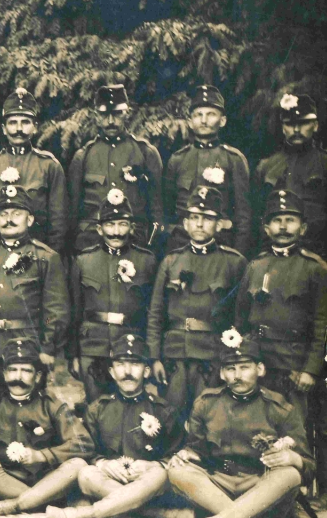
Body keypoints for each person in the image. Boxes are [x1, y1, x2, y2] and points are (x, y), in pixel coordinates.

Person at [168, 334, 311, 518]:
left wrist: (292, 457)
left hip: (259, 484)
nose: (237, 375)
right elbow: (197, 449)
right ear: (222, 373)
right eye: (230, 369)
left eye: (244, 367)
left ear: (260, 369)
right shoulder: (206, 403)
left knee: (290, 473)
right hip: (219, 484)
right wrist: (187, 454)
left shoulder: (279, 408)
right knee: (176, 470)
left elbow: (309, 467)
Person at [235, 189, 327, 496]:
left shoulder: (314, 268)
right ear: (266, 227)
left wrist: (312, 369)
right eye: (277, 220)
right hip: (261, 361)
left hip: (294, 364)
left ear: (302, 227)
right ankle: (259, 486)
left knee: (295, 430)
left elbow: (322, 324)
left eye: (290, 220)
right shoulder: (255, 266)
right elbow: (241, 318)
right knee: (259, 424)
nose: (283, 227)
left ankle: (299, 492)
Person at [0, 337, 92, 517]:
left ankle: (10, 506)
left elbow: (84, 443)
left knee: (78, 465)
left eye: (26, 371)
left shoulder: (50, 404)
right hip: (5, 478)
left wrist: (42, 455)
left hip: (46, 478)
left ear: (37, 376)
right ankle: (49, 501)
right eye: (12, 370)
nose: (17, 377)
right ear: (4, 374)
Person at [46, 334, 184, 518]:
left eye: (134, 365)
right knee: (86, 474)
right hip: (110, 479)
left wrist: (153, 465)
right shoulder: (98, 408)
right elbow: (87, 451)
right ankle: (152, 512)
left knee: (160, 475)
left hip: (146, 480)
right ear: (112, 372)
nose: (127, 372)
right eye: (120, 365)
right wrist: (103, 464)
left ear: (146, 372)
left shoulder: (163, 410)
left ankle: (83, 513)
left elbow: (176, 452)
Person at [147, 186, 248, 421]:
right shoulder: (171, 261)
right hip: (174, 356)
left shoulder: (234, 263)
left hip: (211, 356)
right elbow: (155, 313)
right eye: (194, 218)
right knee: (170, 417)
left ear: (220, 224)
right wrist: (154, 357)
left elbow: (240, 317)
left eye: (208, 218)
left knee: (207, 416)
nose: (200, 224)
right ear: (185, 223)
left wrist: (230, 360)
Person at [0, 191, 69, 403]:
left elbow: (55, 310)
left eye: (16, 213)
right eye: (3, 214)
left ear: (30, 219)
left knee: (28, 407)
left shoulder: (45, 258)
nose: (9, 219)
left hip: (28, 345)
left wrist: (47, 347)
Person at [67, 188, 158, 402]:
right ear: (99, 229)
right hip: (93, 346)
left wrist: (151, 353)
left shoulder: (147, 261)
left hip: (130, 345)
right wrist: (73, 354)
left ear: (132, 227)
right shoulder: (84, 261)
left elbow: (154, 311)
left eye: (122, 224)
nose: (116, 232)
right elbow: (74, 310)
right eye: (110, 224)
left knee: (130, 403)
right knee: (95, 407)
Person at [0, 86, 67, 255]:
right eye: (13, 123)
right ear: (3, 128)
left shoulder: (49, 166)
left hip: (37, 255)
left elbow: (58, 225)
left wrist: (50, 262)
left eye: (25, 122)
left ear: (35, 127)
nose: (19, 129)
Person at [67, 85, 163, 252]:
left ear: (127, 113)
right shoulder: (83, 157)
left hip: (135, 244)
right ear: (96, 116)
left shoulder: (145, 153)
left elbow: (157, 209)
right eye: (104, 114)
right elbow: (73, 213)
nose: (111, 121)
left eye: (117, 114)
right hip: (92, 245)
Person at [164, 84, 252, 255]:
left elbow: (243, 218)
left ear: (223, 120)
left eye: (211, 114)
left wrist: (238, 257)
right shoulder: (178, 159)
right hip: (183, 247)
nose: (203, 120)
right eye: (198, 115)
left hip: (221, 247)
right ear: (190, 122)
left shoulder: (233, 159)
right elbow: (168, 212)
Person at [253, 93, 326, 255]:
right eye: (291, 124)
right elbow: (258, 216)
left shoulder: (324, 163)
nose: (297, 129)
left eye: (303, 123)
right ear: (283, 127)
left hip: (318, 252)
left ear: (315, 125)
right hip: (275, 253)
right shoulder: (266, 167)